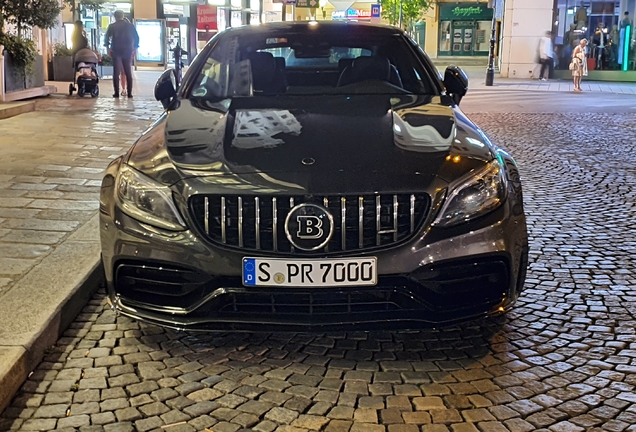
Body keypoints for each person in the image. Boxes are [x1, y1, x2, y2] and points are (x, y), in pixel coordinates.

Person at [104, 11, 139, 98]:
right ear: (123, 16)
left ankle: (116, 92)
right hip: (128, 50)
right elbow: (136, 37)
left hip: (116, 51)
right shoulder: (130, 26)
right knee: (128, 72)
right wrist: (135, 48)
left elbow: (106, 38)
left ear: (115, 17)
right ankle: (129, 93)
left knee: (116, 73)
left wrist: (108, 48)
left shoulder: (112, 26)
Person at [119, 18, 135, 96]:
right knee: (126, 72)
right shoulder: (129, 32)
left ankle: (124, 89)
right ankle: (127, 90)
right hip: (128, 52)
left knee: (123, 72)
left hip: (124, 52)